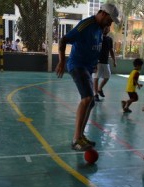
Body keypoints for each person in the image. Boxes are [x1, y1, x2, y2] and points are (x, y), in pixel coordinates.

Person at [55, 3, 120, 151]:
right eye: (110, 20)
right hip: (77, 65)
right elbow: (63, 40)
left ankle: (81, 136)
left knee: (90, 102)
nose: (110, 23)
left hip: (87, 68)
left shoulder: (99, 29)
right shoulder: (86, 25)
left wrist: (94, 63)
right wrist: (61, 61)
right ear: (103, 14)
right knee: (87, 99)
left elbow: (94, 47)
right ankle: (76, 139)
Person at [93, 25, 117, 101]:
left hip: (105, 62)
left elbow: (111, 51)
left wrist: (114, 60)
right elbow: (93, 50)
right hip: (97, 62)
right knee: (96, 78)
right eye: (105, 27)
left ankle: (100, 89)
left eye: (108, 28)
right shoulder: (97, 38)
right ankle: (95, 94)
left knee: (107, 77)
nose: (106, 29)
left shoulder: (110, 39)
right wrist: (93, 62)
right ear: (102, 28)